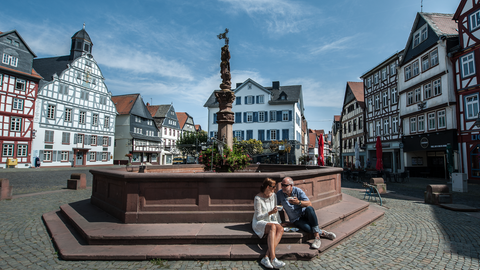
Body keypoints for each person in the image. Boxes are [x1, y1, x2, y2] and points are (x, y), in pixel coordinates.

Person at [277, 177, 336, 249]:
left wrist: (298, 202)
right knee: (307, 228)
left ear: (291, 185)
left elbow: (309, 203)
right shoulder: (279, 194)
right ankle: (322, 233)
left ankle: (317, 237)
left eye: (285, 185)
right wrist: (280, 222)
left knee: (310, 209)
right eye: (282, 185)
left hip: (305, 213)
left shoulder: (298, 191)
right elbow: (277, 208)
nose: (283, 187)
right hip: (296, 219)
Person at [252, 178, 285, 269]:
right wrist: (270, 212)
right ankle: (273, 258)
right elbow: (258, 217)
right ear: (268, 187)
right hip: (259, 222)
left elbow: (276, 212)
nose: (275, 189)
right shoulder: (258, 198)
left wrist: (280, 223)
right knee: (272, 227)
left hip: (271, 220)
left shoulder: (273, 195)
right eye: (273, 187)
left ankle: (266, 257)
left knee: (280, 229)